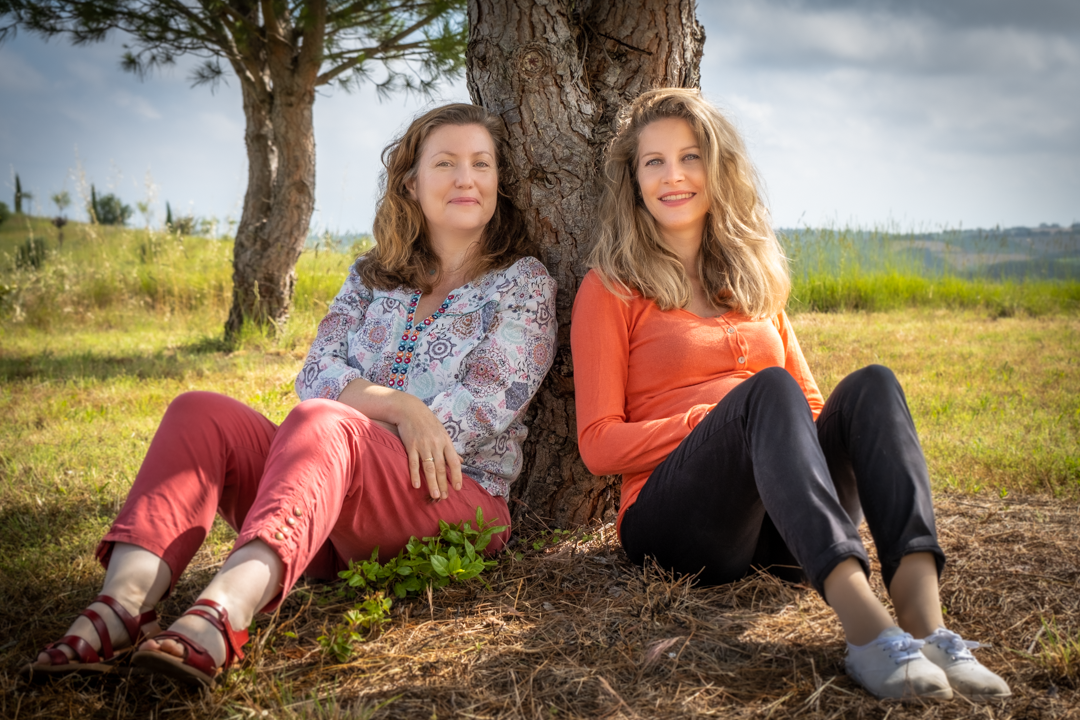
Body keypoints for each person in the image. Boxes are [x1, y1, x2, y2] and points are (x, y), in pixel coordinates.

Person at [23, 103, 557, 687]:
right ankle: (123, 607)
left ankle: (223, 614)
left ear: (498, 180)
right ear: (411, 182)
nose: (465, 179)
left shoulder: (523, 285)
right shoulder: (372, 275)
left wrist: (344, 426)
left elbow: (473, 414)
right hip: (324, 511)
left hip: (449, 501)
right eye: (446, 163)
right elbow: (317, 373)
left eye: (481, 164)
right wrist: (397, 405)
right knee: (199, 412)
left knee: (323, 421)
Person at [570, 88, 1010, 702]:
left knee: (873, 385)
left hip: (780, 533)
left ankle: (927, 625)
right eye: (655, 162)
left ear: (717, 168)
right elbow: (598, 446)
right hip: (678, 526)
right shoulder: (611, 289)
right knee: (767, 389)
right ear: (634, 181)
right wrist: (708, 422)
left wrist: (791, 433)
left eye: (691, 157)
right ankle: (868, 632)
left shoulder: (752, 279)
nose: (674, 176)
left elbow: (811, 407)